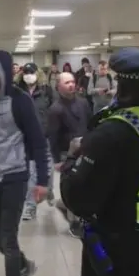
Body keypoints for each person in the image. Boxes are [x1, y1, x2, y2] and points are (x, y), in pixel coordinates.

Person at [59, 48, 139, 276]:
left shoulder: (111, 132)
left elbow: (79, 199)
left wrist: (73, 158)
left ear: (124, 85)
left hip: (120, 252)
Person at [0, 51, 49, 276]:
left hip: (14, 177)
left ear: (4, 70)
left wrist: (43, 181)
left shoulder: (20, 101)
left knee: (7, 237)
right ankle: (23, 264)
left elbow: (38, 141)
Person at [47, 72, 92, 237]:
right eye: (66, 83)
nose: (71, 85)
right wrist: (57, 159)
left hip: (86, 149)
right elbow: (52, 136)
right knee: (73, 187)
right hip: (68, 153)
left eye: (72, 82)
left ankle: (65, 206)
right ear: (58, 86)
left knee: (85, 186)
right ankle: (74, 223)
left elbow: (91, 123)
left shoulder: (83, 103)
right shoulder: (55, 109)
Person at [14, 62, 55, 220]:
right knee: (31, 173)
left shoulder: (46, 91)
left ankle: (48, 190)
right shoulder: (17, 92)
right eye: (26, 72)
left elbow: (54, 112)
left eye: (31, 72)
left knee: (48, 171)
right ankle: (30, 206)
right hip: (25, 138)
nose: (28, 75)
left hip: (45, 136)